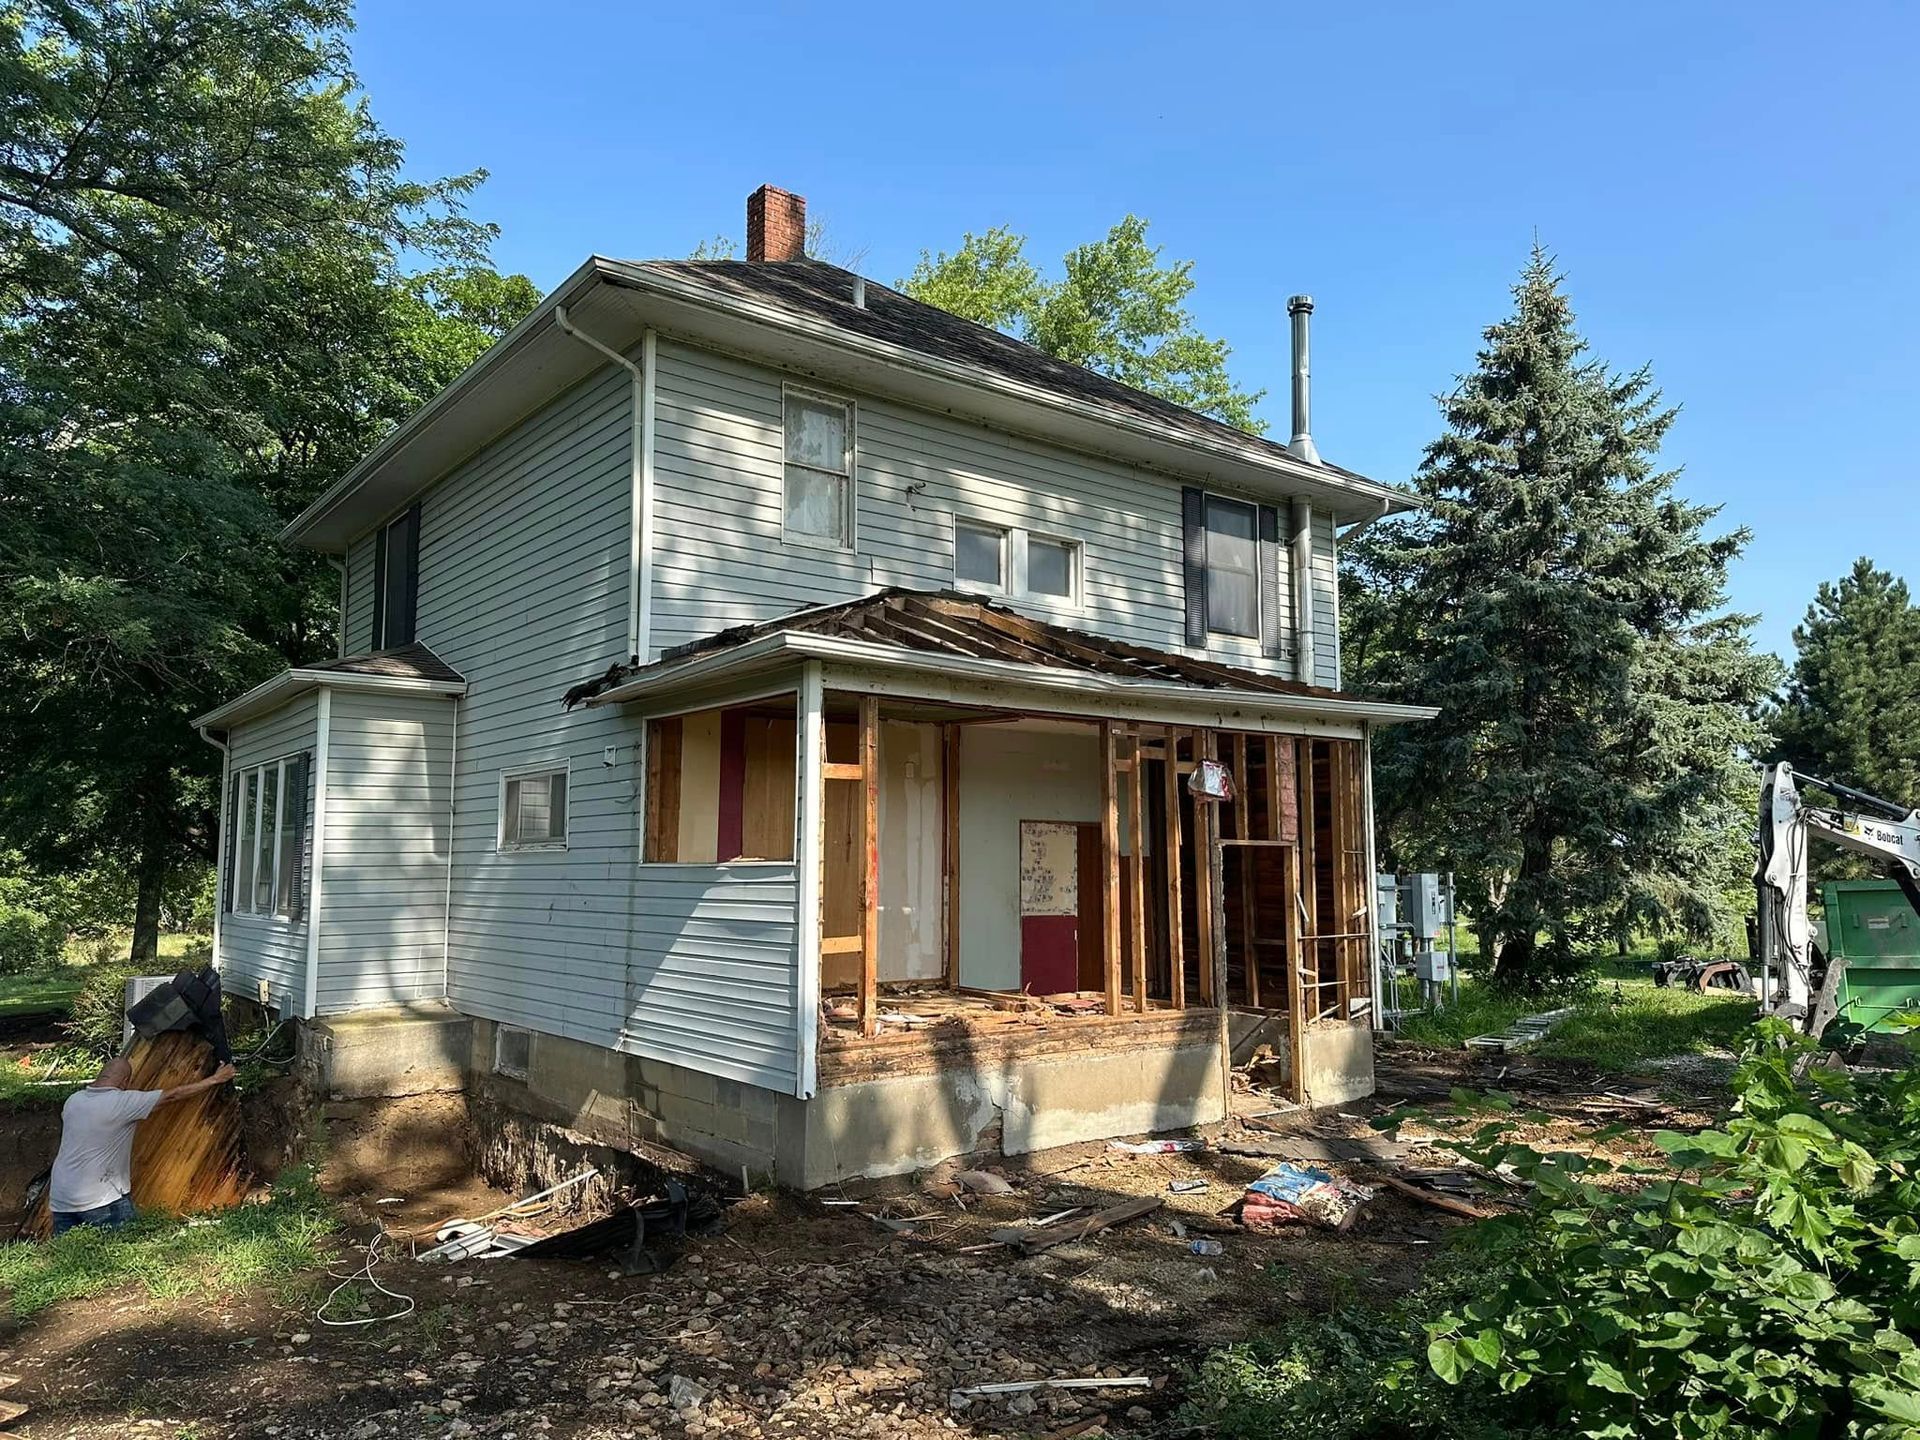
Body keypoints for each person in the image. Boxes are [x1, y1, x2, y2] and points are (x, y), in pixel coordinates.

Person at [48, 1055, 237, 1235]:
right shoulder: (122, 1102)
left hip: (61, 1197)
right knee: (125, 1249)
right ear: (125, 1082)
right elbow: (173, 1095)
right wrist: (215, 1079)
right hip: (101, 1199)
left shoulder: (73, 1101)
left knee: (69, 1256)